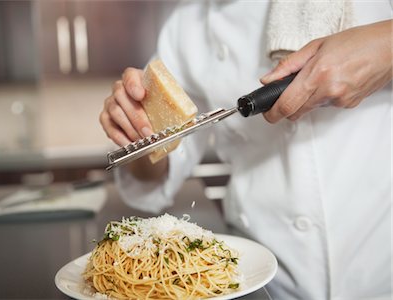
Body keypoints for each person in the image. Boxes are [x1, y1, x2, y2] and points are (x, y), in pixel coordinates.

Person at [99, 1, 392, 299]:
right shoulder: (189, 24)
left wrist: (386, 44)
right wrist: (137, 131)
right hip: (262, 279)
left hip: (381, 263)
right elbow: (153, 177)